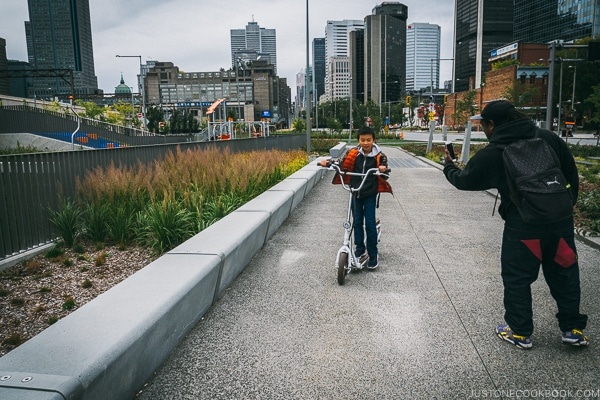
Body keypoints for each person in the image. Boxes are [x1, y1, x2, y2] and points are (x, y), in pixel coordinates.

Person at [442, 100, 588, 350]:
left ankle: (520, 332)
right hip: (560, 222)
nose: (485, 130)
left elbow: (465, 180)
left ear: (492, 124)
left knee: (518, 277)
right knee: (565, 274)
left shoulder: (496, 151)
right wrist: (563, 206)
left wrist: (448, 167)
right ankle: (572, 329)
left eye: (484, 125)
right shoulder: (548, 138)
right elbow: (570, 175)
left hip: (523, 226)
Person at [320, 126, 392, 269]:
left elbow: (384, 172)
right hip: (355, 192)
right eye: (363, 140)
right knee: (357, 222)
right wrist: (328, 162)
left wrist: (382, 169)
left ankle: (373, 254)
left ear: (373, 140)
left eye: (369, 140)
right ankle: (359, 250)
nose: (366, 143)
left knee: (370, 223)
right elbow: (342, 162)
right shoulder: (353, 153)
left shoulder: (380, 156)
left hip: (370, 193)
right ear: (358, 140)